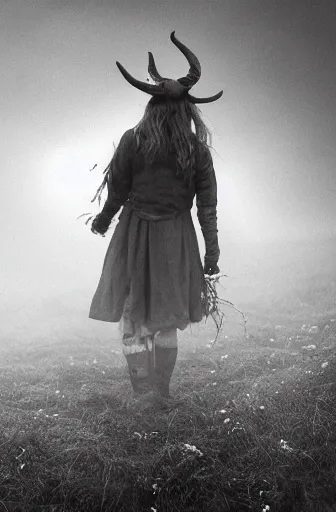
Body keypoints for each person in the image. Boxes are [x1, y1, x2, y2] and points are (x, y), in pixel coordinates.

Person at [88, 32, 223, 407]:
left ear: (152, 107)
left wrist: (102, 221)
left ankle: (146, 394)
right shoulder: (197, 151)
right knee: (164, 316)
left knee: (133, 313)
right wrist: (211, 254)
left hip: (134, 233)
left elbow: (116, 193)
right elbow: (207, 208)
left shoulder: (133, 139)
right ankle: (159, 393)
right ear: (187, 111)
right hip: (174, 238)